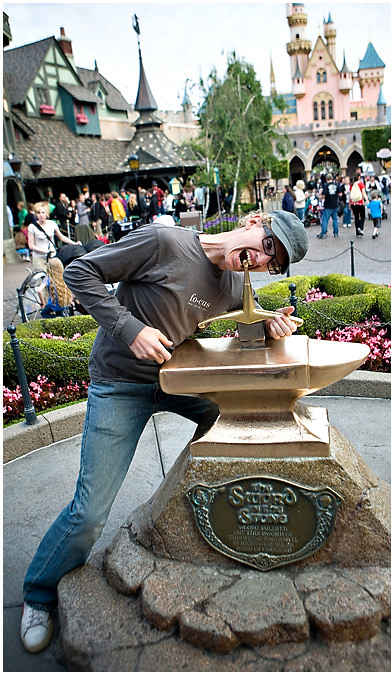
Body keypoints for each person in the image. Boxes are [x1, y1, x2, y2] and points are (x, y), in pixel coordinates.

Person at [19, 210, 308, 654]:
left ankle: (196, 507)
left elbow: (238, 325)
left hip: (179, 382)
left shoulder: (233, 284)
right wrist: (129, 329)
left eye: (273, 263)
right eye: (268, 245)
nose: (260, 260)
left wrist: (269, 327)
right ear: (255, 220)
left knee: (248, 416)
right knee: (89, 513)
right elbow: (80, 271)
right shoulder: (164, 242)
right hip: (121, 385)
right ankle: (38, 595)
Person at [27, 202, 81, 271]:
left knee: (56, 278)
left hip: (52, 256)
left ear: (47, 213)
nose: (41, 215)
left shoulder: (52, 224)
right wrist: (45, 251)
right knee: (45, 279)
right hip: (39, 258)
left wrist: (74, 243)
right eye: (38, 213)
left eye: (43, 213)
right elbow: (31, 245)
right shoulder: (32, 227)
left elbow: (61, 237)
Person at [318, 174, 342, 239]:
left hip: (328, 205)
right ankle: (336, 233)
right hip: (335, 204)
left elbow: (323, 196)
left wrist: (320, 196)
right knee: (335, 219)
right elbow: (340, 194)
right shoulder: (336, 185)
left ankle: (323, 233)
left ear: (326, 179)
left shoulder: (325, 186)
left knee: (325, 219)